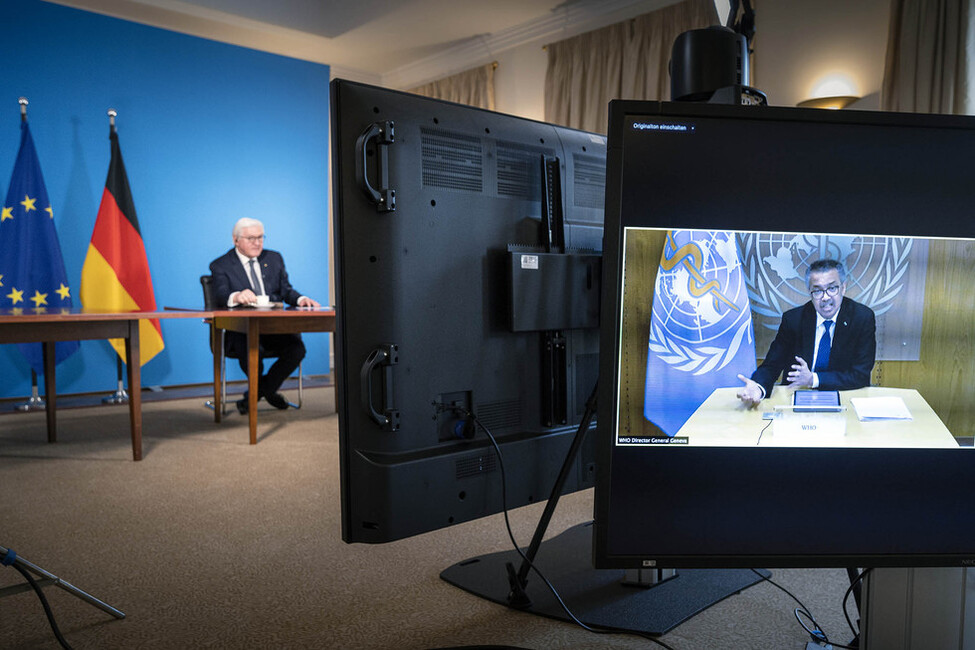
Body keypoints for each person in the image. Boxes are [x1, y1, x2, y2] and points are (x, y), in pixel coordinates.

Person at [209, 217, 320, 414]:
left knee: (296, 349)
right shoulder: (221, 265)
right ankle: (267, 391)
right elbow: (220, 295)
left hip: (273, 328)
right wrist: (237, 296)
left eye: (260, 237)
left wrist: (301, 299)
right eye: (251, 238)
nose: (257, 242)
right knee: (253, 351)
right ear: (236, 240)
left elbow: (286, 290)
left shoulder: (273, 258)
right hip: (240, 332)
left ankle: (259, 392)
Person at [737, 258, 876, 408]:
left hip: (843, 398)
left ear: (843, 288)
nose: (825, 297)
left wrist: (813, 379)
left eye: (832, 288)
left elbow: (860, 375)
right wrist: (759, 387)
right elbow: (772, 365)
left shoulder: (861, 318)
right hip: (796, 398)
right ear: (810, 292)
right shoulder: (793, 320)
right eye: (817, 290)